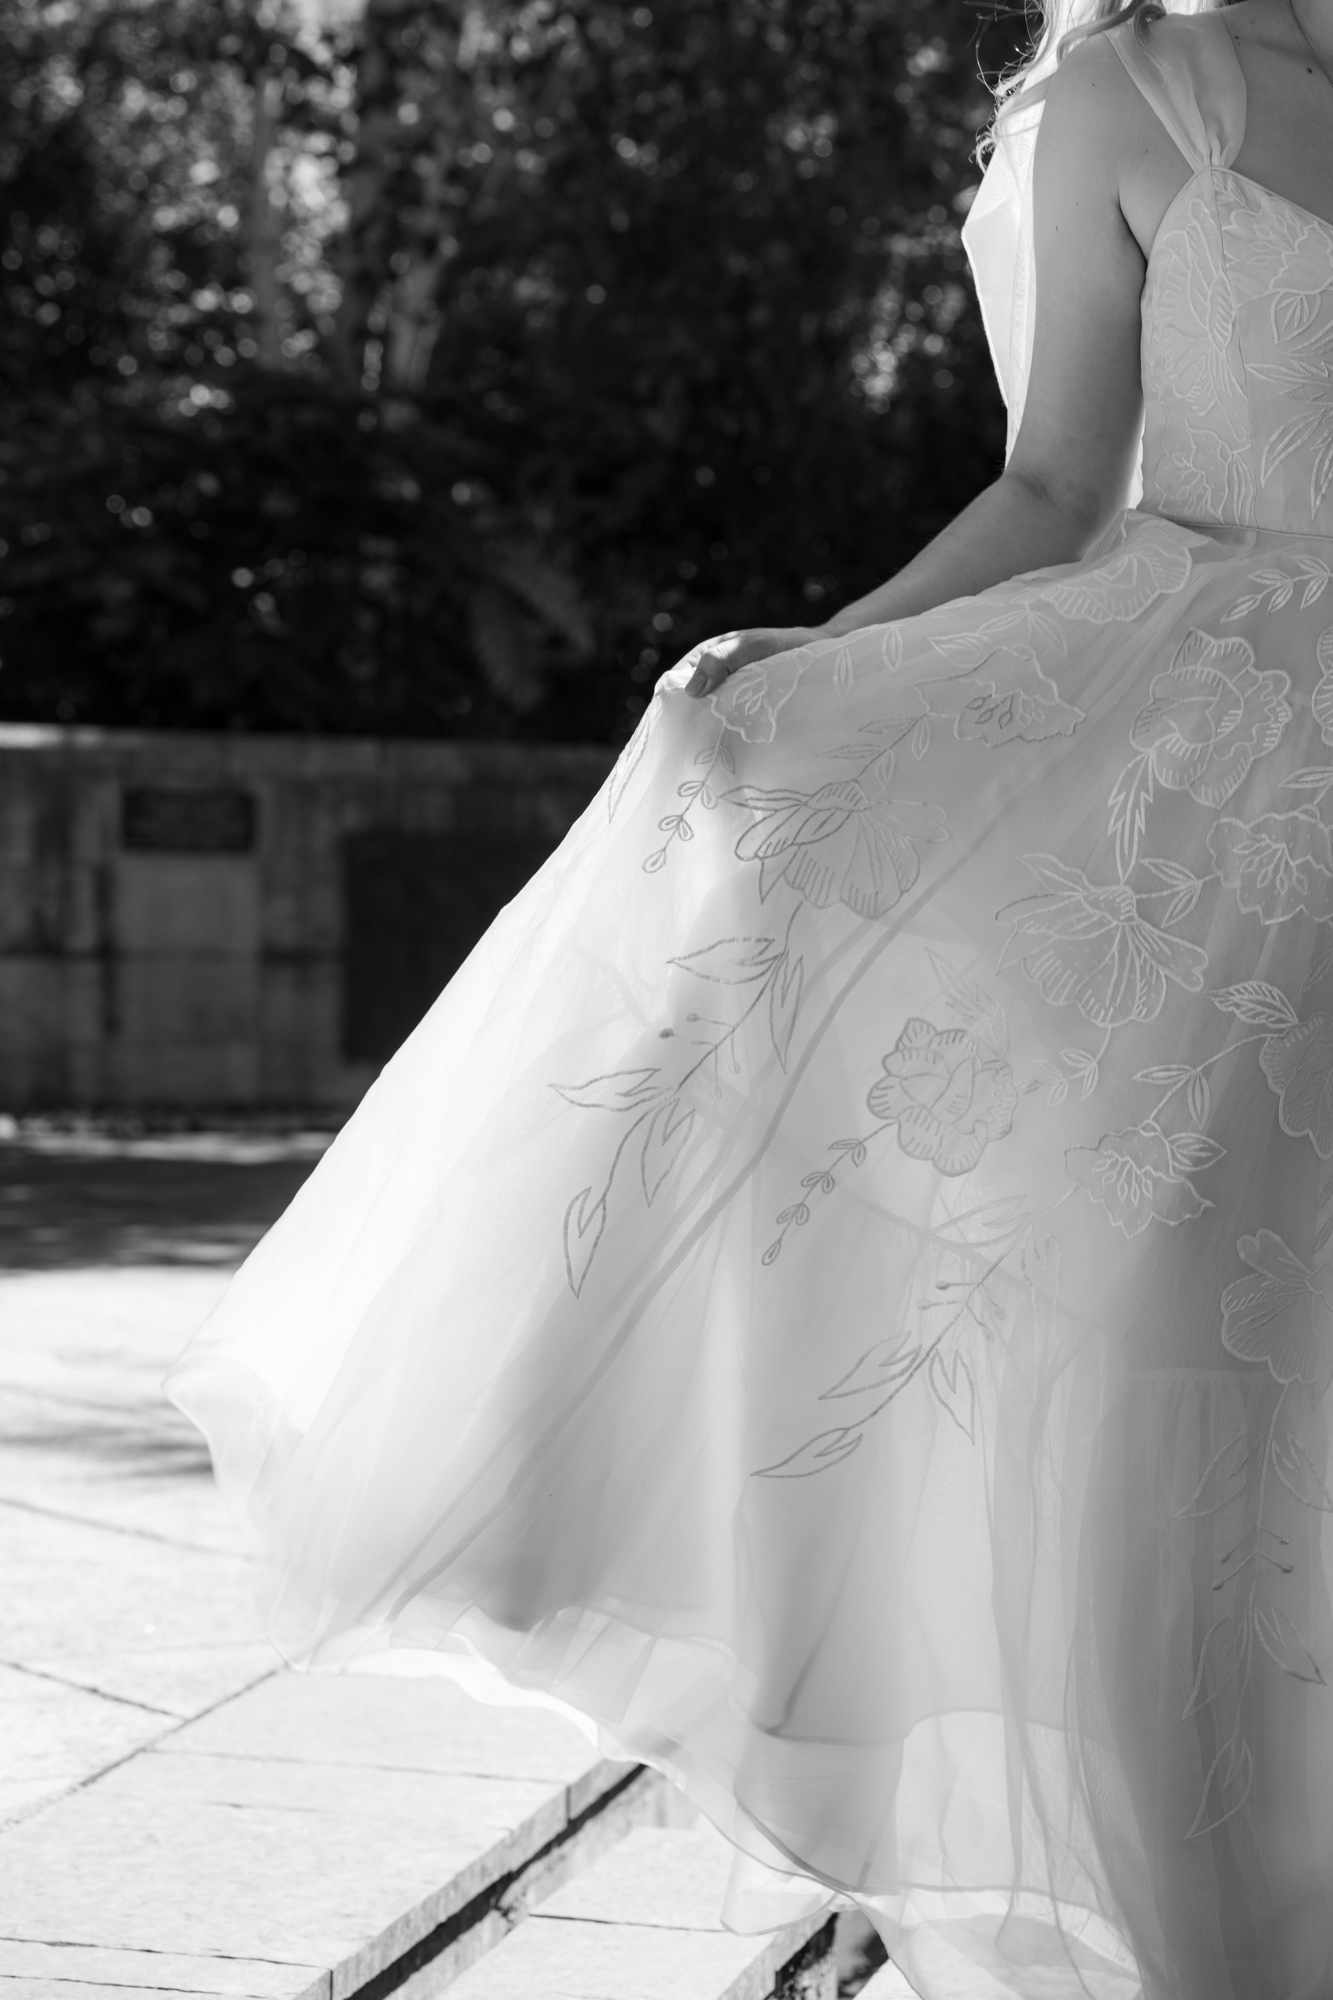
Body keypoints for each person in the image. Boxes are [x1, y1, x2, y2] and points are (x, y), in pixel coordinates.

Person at [168, 0, 1333, 1990]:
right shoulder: (1134, 88)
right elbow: (1056, 486)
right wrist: (813, 670)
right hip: (1223, 799)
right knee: (1192, 1349)